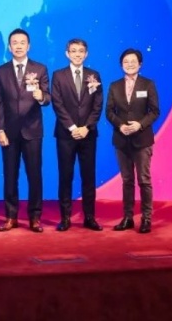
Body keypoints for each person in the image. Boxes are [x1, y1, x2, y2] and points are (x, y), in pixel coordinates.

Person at [0, 28, 51, 233]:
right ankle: (11, 216)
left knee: (34, 175)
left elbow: (48, 98)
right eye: (14, 42)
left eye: (22, 42)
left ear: (29, 46)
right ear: (9, 47)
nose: (18, 46)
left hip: (32, 131)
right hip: (9, 132)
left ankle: (35, 217)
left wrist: (41, 97)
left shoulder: (40, 69)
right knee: (10, 176)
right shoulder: (1, 71)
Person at [51, 38, 104, 232]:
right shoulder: (58, 75)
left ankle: (89, 217)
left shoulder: (94, 75)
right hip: (66, 135)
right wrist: (73, 127)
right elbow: (57, 104)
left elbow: (98, 104)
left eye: (81, 51)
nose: (77, 54)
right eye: (73, 51)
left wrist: (87, 127)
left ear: (86, 54)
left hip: (88, 135)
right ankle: (65, 218)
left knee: (88, 176)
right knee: (66, 176)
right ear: (67, 54)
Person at [105, 48, 160, 234]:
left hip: (142, 139)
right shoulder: (114, 86)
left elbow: (154, 111)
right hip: (121, 140)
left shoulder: (148, 84)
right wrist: (120, 125)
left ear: (140, 64)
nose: (129, 64)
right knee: (127, 180)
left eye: (133, 61)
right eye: (126, 62)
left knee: (144, 180)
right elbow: (109, 112)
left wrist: (140, 125)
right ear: (121, 65)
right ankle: (128, 218)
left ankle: (146, 219)